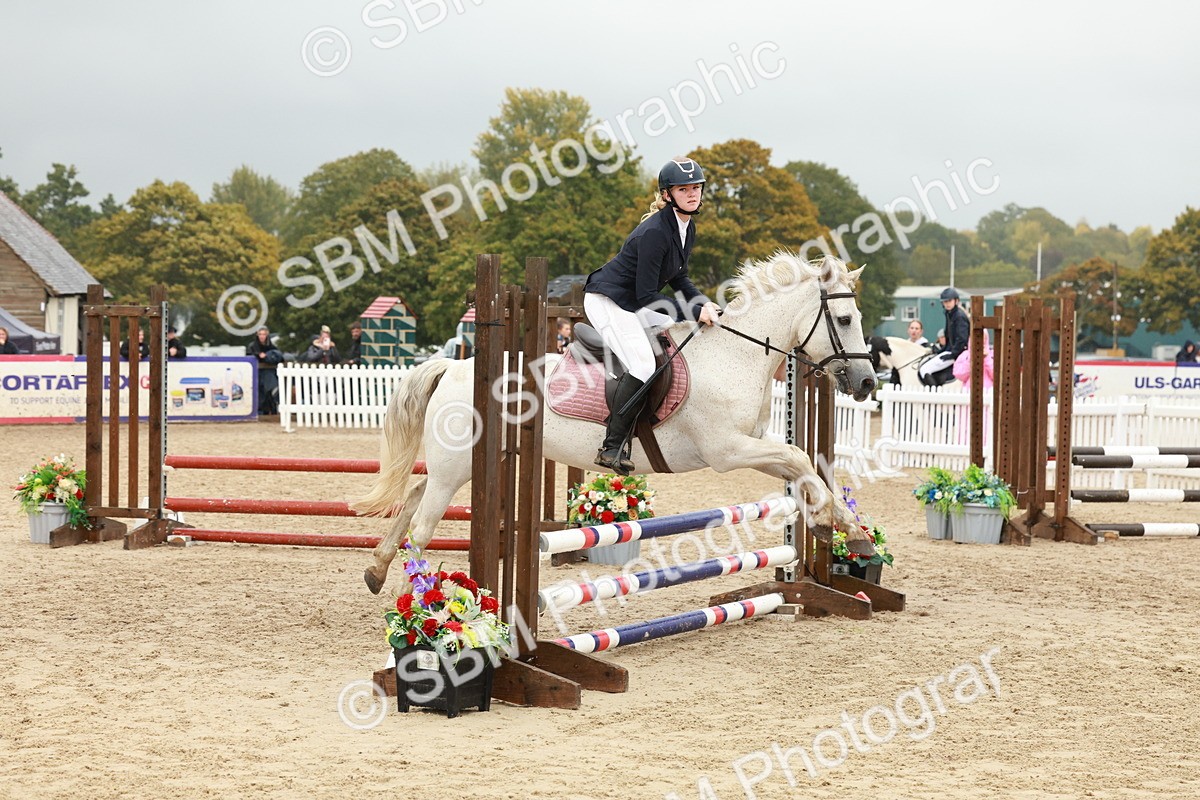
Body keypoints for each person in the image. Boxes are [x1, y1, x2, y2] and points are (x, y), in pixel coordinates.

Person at [582, 157, 720, 474]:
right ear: (668, 194)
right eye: (683, 189)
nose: (692, 194)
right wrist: (694, 309)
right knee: (643, 364)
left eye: (696, 187)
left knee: (675, 328)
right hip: (608, 300)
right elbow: (646, 296)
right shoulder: (656, 232)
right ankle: (612, 446)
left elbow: (679, 279)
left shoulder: (686, 227)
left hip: (633, 300)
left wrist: (703, 303)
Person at [917, 288, 969, 385]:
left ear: (956, 301)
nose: (947, 303)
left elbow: (962, 339)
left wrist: (952, 354)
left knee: (924, 369)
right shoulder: (949, 314)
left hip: (958, 353)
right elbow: (949, 338)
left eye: (949, 301)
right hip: (951, 350)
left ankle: (935, 396)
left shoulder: (959, 316)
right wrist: (942, 350)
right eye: (945, 301)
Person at [247, 326, 283, 415]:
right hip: (256, 374)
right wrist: (258, 356)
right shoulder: (252, 346)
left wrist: (267, 357)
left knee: (270, 392)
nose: (262, 336)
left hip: (268, 373)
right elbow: (249, 357)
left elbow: (279, 358)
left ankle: (271, 410)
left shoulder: (271, 347)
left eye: (264, 334)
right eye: (260, 334)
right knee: (259, 393)